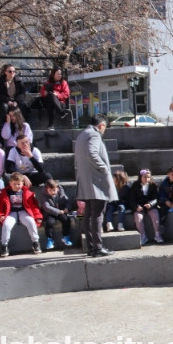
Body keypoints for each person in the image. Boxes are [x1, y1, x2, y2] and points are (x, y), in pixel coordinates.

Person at [73, 114, 117, 257]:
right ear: (102, 125)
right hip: (96, 181)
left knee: (88, 214)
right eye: (105, 127)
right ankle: (97, 248)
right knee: (97, 215)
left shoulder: (82, 135)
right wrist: (104, 168)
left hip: (86, 180)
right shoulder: (94, 135)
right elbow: (92, 153)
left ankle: (92, 247)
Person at [0, 172, 43, 256]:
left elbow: (34, 206)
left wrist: (37, 217)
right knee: (6, 225)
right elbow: (0, 206)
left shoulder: (27, 193)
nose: (16, 186)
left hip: (23, 211)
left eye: (19, 184)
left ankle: (36, 242)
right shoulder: (5, 193)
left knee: (31, 222)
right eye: (14, 184)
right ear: (10, 183)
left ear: (22, 183)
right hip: (10, 212)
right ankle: (4, 245)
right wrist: (0, 215)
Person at [130, 169, 163, 246]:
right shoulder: (135, 186)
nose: (147, 179)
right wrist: (136, 206)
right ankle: (143, 235)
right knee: (138, 217)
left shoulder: (153, 186)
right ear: (140, 177)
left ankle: (157, 234)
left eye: (148, 177)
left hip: (149, 205)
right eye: (145, 177)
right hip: (140, 206)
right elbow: (132, 199)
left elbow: (156, 198)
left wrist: (150, 204)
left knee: (155, 214)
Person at [39, 179, 74, 251]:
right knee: (49, 223)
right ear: (46, 189)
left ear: (57, 188)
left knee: (66, 219)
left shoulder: (61, 192)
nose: (53, 192)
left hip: (61, 211)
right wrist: (58, 211)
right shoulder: (44, 196)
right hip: (50, 213)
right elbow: (46, 207)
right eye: (50, 190)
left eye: (54, 190)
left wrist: (67, 208)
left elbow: (66, 201)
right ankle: (50, 239)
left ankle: (66, 236)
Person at [39, 66, 71, 131]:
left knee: (51, 101)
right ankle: (61, 113)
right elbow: (42, 93)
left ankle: (50, 124)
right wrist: (45, 93)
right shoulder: (48, 82)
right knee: (50, 96)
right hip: (50, 102)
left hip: (60, 103)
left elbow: (66, 94)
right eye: (57, 74)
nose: (59, 75)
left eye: (60, 74)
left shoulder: (63, 82)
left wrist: (57, 95)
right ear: (53, 75)